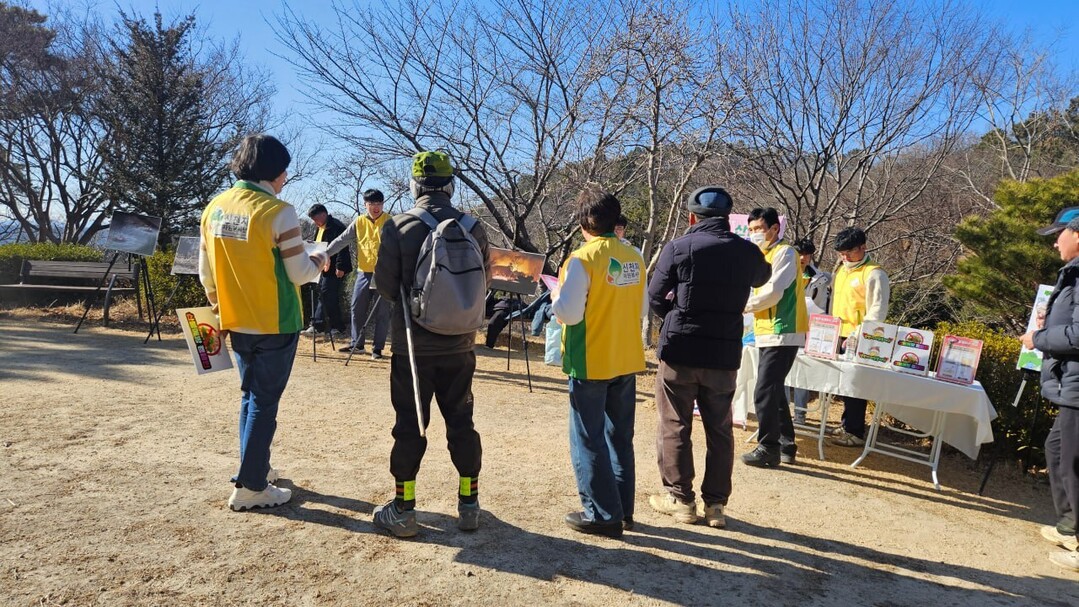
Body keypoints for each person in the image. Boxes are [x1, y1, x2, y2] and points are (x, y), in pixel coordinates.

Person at [198, 134, 328, 511]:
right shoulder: (279, 212)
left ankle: (254, 468)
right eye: (285, 170)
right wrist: (319, 259)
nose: (286, 177)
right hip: (275, 321)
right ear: (274, 172)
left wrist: (219, 311)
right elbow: (300, 272)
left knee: (249, 396)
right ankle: (251, 485)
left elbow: (206, 274)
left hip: (235, 321)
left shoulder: (214, 209)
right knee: (264, 402)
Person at [370, 151, 491, 538]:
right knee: (462, 423)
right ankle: (469, 504)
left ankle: (404, 509)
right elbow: (483, 285)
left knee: (410, 426)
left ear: (415, 184)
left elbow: (386, 287)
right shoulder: (476, 227)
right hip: (460, 348)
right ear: (451, 184)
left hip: (413, 348)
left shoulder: (399, 226)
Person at [647, 186, 770, 527]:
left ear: (691, 217)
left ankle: (680, 499)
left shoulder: (679, 247)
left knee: (675, 423)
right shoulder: (747, 252)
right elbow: (763, 277)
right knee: (719, 429)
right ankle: (716, 506)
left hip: (681, 349)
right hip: (723, 352)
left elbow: (655, 295)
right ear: (729, 219)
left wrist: (675, 315)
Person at [552, 185, 647, 539]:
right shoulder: (633, 256)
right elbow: (641, 308)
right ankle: (623, 511)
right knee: (619, 437)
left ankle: (601, 514)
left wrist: (555, 297)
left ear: (584, 223)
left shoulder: (582, 259)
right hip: (625, 357)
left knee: (588, 439)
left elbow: (570, 313)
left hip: (590, 359)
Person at [1022, 207, 1079, 571]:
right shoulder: (1072, 273)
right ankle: (1070, 524)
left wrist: (1039, 337)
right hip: (1070, 382)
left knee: (1073, 462)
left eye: (1060, 233)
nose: (1055, 241)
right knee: (1057, 449)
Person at [741, 207, 807, 467]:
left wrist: (742, 305)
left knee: (764, 390)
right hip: (767, 330)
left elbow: (774, 293)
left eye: (759, 229)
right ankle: (787, 445)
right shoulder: (762, 254)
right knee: (775, 390)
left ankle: (768, 447)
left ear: (774, 228)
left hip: (784, 329)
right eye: (752, 230)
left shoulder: (786, 253)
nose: (755, 234)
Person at [828, 227, 889, 447]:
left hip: (860, 337)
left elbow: (877, 311)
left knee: (856, 386)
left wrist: (858, 332)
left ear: (863, 247)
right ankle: (846, 424)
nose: (845, 257)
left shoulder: (874, 273)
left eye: (849, 252)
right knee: (843, 384)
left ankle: (855, 431)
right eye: (841, 253)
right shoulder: (842, 270)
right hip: (838, 332)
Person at [326, 189, 391, 359]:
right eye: (372, 204)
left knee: (382, 312)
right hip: (363, 272)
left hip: (384, 274)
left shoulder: (391, 221)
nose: (376, 207)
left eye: (379, 203)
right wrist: (325, 253)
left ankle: (377, 349)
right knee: (357, 308)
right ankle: (357, 344)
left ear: (383, 204)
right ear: (365, 205)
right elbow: (342, 240)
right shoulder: (359, 221)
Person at [789, 238, 830, 424]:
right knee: (780, 373)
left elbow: (823, 306)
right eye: (800, 254)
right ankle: (779, 411)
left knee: (801, 374)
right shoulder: (783, 271)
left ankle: (800, 414)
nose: (803, 258)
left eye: (807, 254)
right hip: (785, 327)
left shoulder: (820, 279)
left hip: (808, 330)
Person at [303, 203, 352, 338]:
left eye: (315, 219)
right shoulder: (319, 228)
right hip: (322, 267)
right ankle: (337, 327)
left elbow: (342, 247)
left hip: (334, 268)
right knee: (328, 296)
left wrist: (340, 266)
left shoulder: (337, 226)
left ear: (323, 215)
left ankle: (318, 325)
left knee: (325, 294)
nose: (314, 222)